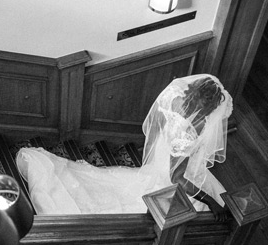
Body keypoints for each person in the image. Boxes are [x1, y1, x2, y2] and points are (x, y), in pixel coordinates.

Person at [16, 74, 233, 215]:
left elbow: (155, 130)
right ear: (207, 109)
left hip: (156, 166)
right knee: (208, 207)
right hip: (166, 180)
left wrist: (159, 156)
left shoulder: (174, 98)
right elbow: (176, 177)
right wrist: (209, 201)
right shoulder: (189, 133)